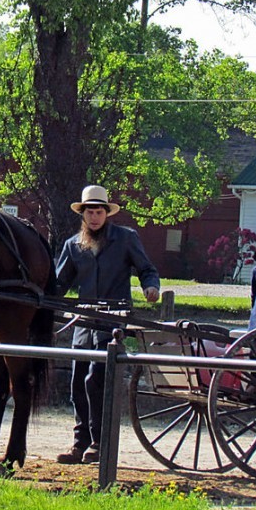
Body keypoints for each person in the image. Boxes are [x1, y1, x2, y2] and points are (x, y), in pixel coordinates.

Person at [55, 185, 160, 465]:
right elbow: (59, 284)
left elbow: (147, 269)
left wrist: (150, 287)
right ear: (83, 214)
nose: (95, 217)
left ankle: (99, 442)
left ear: (106, 213)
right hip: (84, 322)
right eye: (90, 212)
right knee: (78, 382)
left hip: (112, 322)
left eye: (99, 212)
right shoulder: (73, 245)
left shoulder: (125, 239)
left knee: (95, 379)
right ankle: (80, 443)